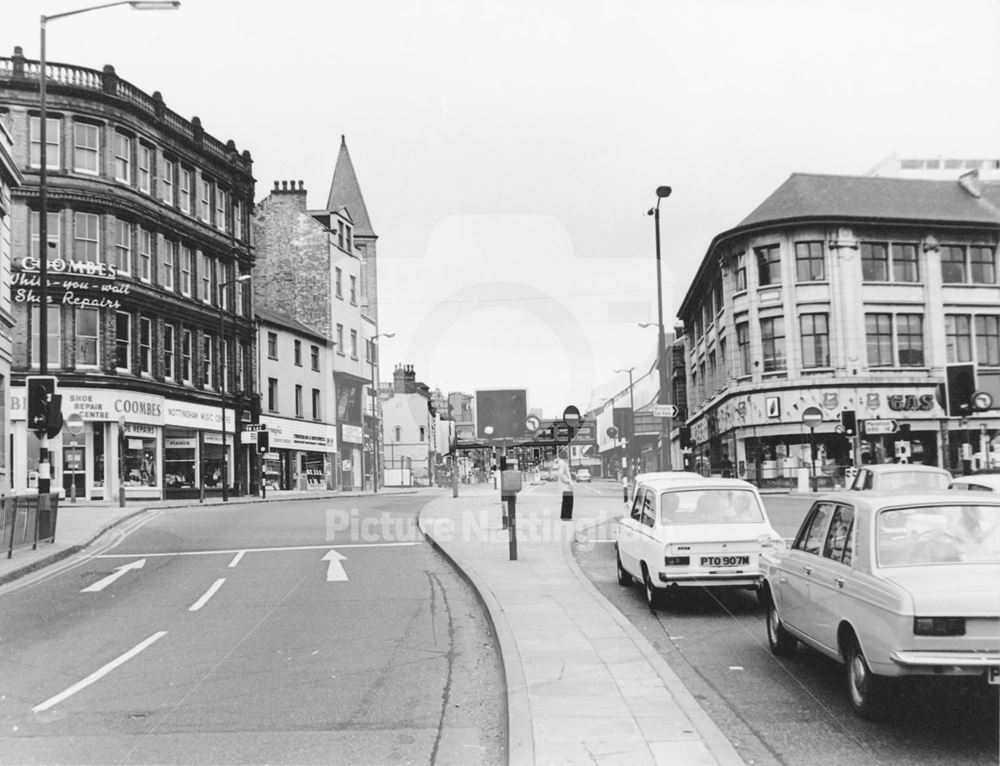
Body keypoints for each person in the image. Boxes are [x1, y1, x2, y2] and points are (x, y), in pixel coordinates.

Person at [557, 448, 574, 520]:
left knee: (566, 501)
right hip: (566, 486)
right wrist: (568, 481)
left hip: (566, 487)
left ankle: (565, 516)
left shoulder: (562, 463)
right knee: (568, 501)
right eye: (566, 453)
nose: (567, 454)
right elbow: (561, 475)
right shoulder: (563, 464)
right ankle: (566, 516)